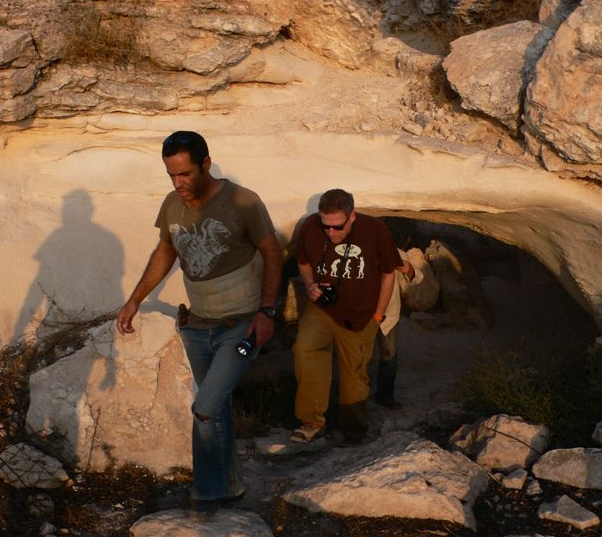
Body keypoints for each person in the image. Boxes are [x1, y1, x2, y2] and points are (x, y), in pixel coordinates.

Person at [116, 130, 282, 520]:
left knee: (205, 407)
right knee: (217, 405)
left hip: (241, 326)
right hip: (197, 326)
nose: (178, 183)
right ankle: (233, 485)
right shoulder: (172, 205)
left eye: (186, 174)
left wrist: (267, 312)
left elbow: (273, 253)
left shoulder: (243, 201)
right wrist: (135, 299)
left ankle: (206, 495)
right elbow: (166, 250)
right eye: (171, 175)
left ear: (206, 164)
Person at [291, 189, 401, 444]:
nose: (331, 232)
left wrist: (378, 316)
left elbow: (388, 273)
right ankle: (311, 421)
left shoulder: (374, 230)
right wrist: (309, 285)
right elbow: (303, 262)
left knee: (354, 372)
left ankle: (353, 432)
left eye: (337, 227)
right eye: (326, 226)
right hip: (322, 307)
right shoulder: (310, 227)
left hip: (361, 313)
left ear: (351, 216)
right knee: (306, 350)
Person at [374, 255, 422, 410]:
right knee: (357, 355)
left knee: (389, 355)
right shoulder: (353, 249)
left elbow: (417, 278)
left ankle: (385, 395)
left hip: (387, 314)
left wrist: (409, 270)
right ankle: (352, 397)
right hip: (360, 312)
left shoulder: (393, 252)